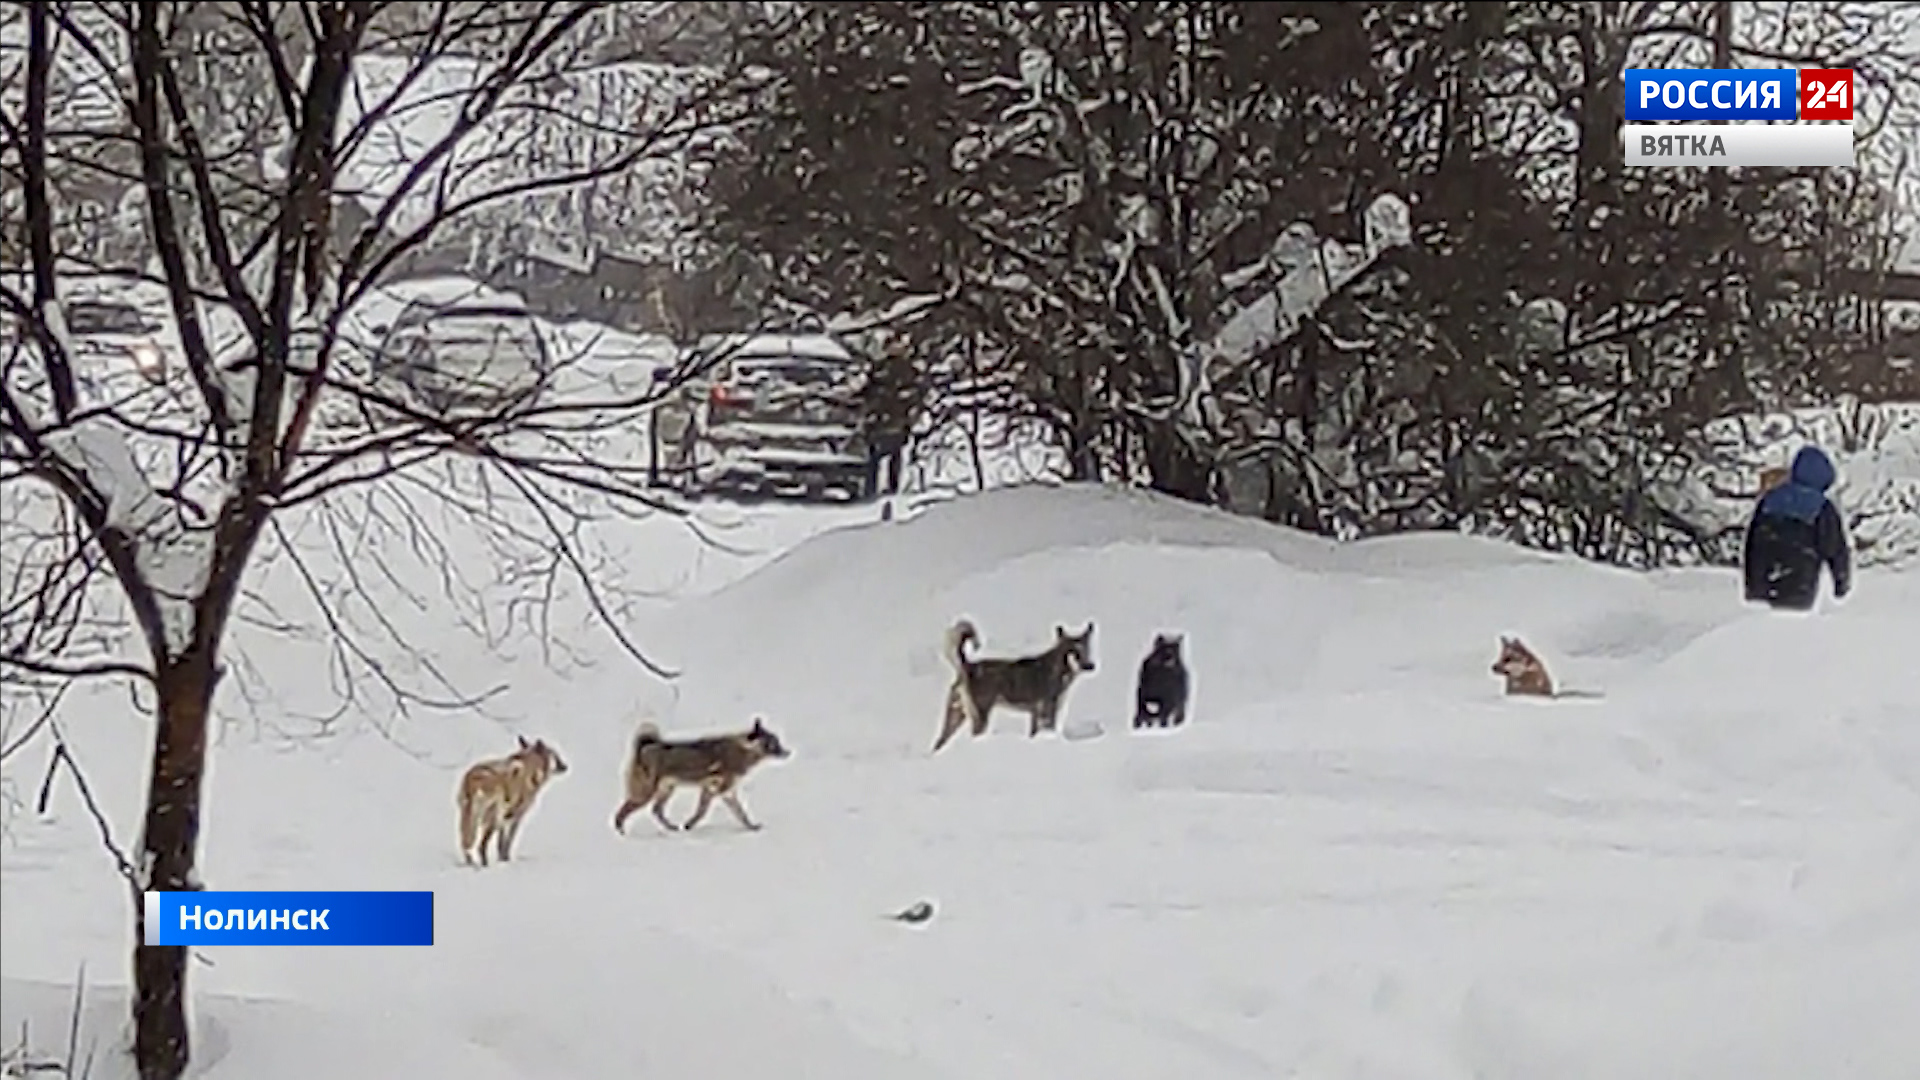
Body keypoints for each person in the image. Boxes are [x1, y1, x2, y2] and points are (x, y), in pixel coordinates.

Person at [1742, 445, 1852, 612]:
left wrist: (1752, 582)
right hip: (1799, 578)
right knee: (1792, 627)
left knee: (1761, 624)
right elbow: (1835, 548)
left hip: (1763, 576)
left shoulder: (1770, 500)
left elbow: (1752, 541)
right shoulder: (1821, 507)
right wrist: (1840, 582)